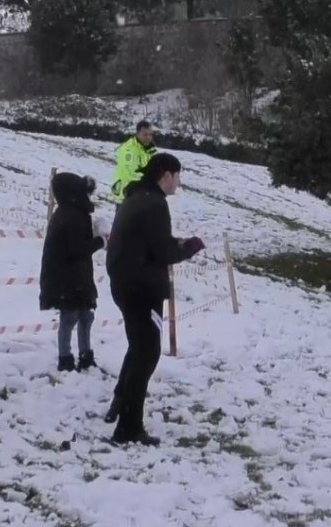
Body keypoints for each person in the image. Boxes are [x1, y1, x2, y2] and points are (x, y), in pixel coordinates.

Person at [103, 153, 205, 445]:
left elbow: (148, 241)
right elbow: (163, 253)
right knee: (147, 353)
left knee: (138, 347)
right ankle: (128, 428)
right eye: (177, 175)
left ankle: (119, 404)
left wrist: (175, 242)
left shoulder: (135, 198)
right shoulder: (155, 204)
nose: (179, 183)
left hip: (125, 284)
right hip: (142, 288)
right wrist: (190, 248)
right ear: (165, 175)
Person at [40, 172, 106, 372]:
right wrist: (101, 240)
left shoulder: (71, 213)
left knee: (85, 315)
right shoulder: (71, 216)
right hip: (67, 278)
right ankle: (65, 359)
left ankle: (85, 356)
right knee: (70, 317)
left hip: (75, 275)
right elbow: (77, 248)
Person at [110, 121, 157, 201]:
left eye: (150, 134)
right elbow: (130, 173)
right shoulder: (129, 150)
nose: (148, 137)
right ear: (137, 134)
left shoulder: (148, 150)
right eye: (145, 135)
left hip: (140, 193)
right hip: (126, 194)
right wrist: (151, 181)